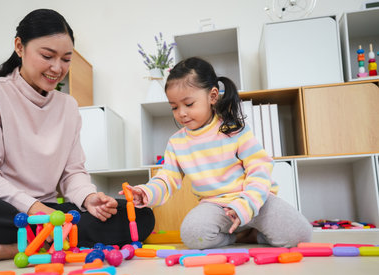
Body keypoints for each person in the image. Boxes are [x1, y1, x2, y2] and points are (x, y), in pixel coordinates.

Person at [0, 9, 154, 263]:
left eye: (66, 59)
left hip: (51, 214)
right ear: (19, 47)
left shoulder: (68, 106)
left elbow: (73, 173)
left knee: (140, 216)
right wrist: (35, 210)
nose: (57, 68)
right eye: (47, 56)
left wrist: (90, 198)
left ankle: (21, 246)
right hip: (3, 209)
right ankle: (48, 240)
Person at [123, 57, 312, 249]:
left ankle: (254, 234)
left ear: (212, 96)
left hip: (254, 200)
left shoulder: (235, 129)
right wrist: (145, 192)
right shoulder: (176, 142)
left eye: (188, 104)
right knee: (192, 235)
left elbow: (260, 168)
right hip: (215, 207)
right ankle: (238, 237)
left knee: (300, 235)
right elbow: (167, 178)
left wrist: (247, 203)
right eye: (174, 107)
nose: (181, 113)